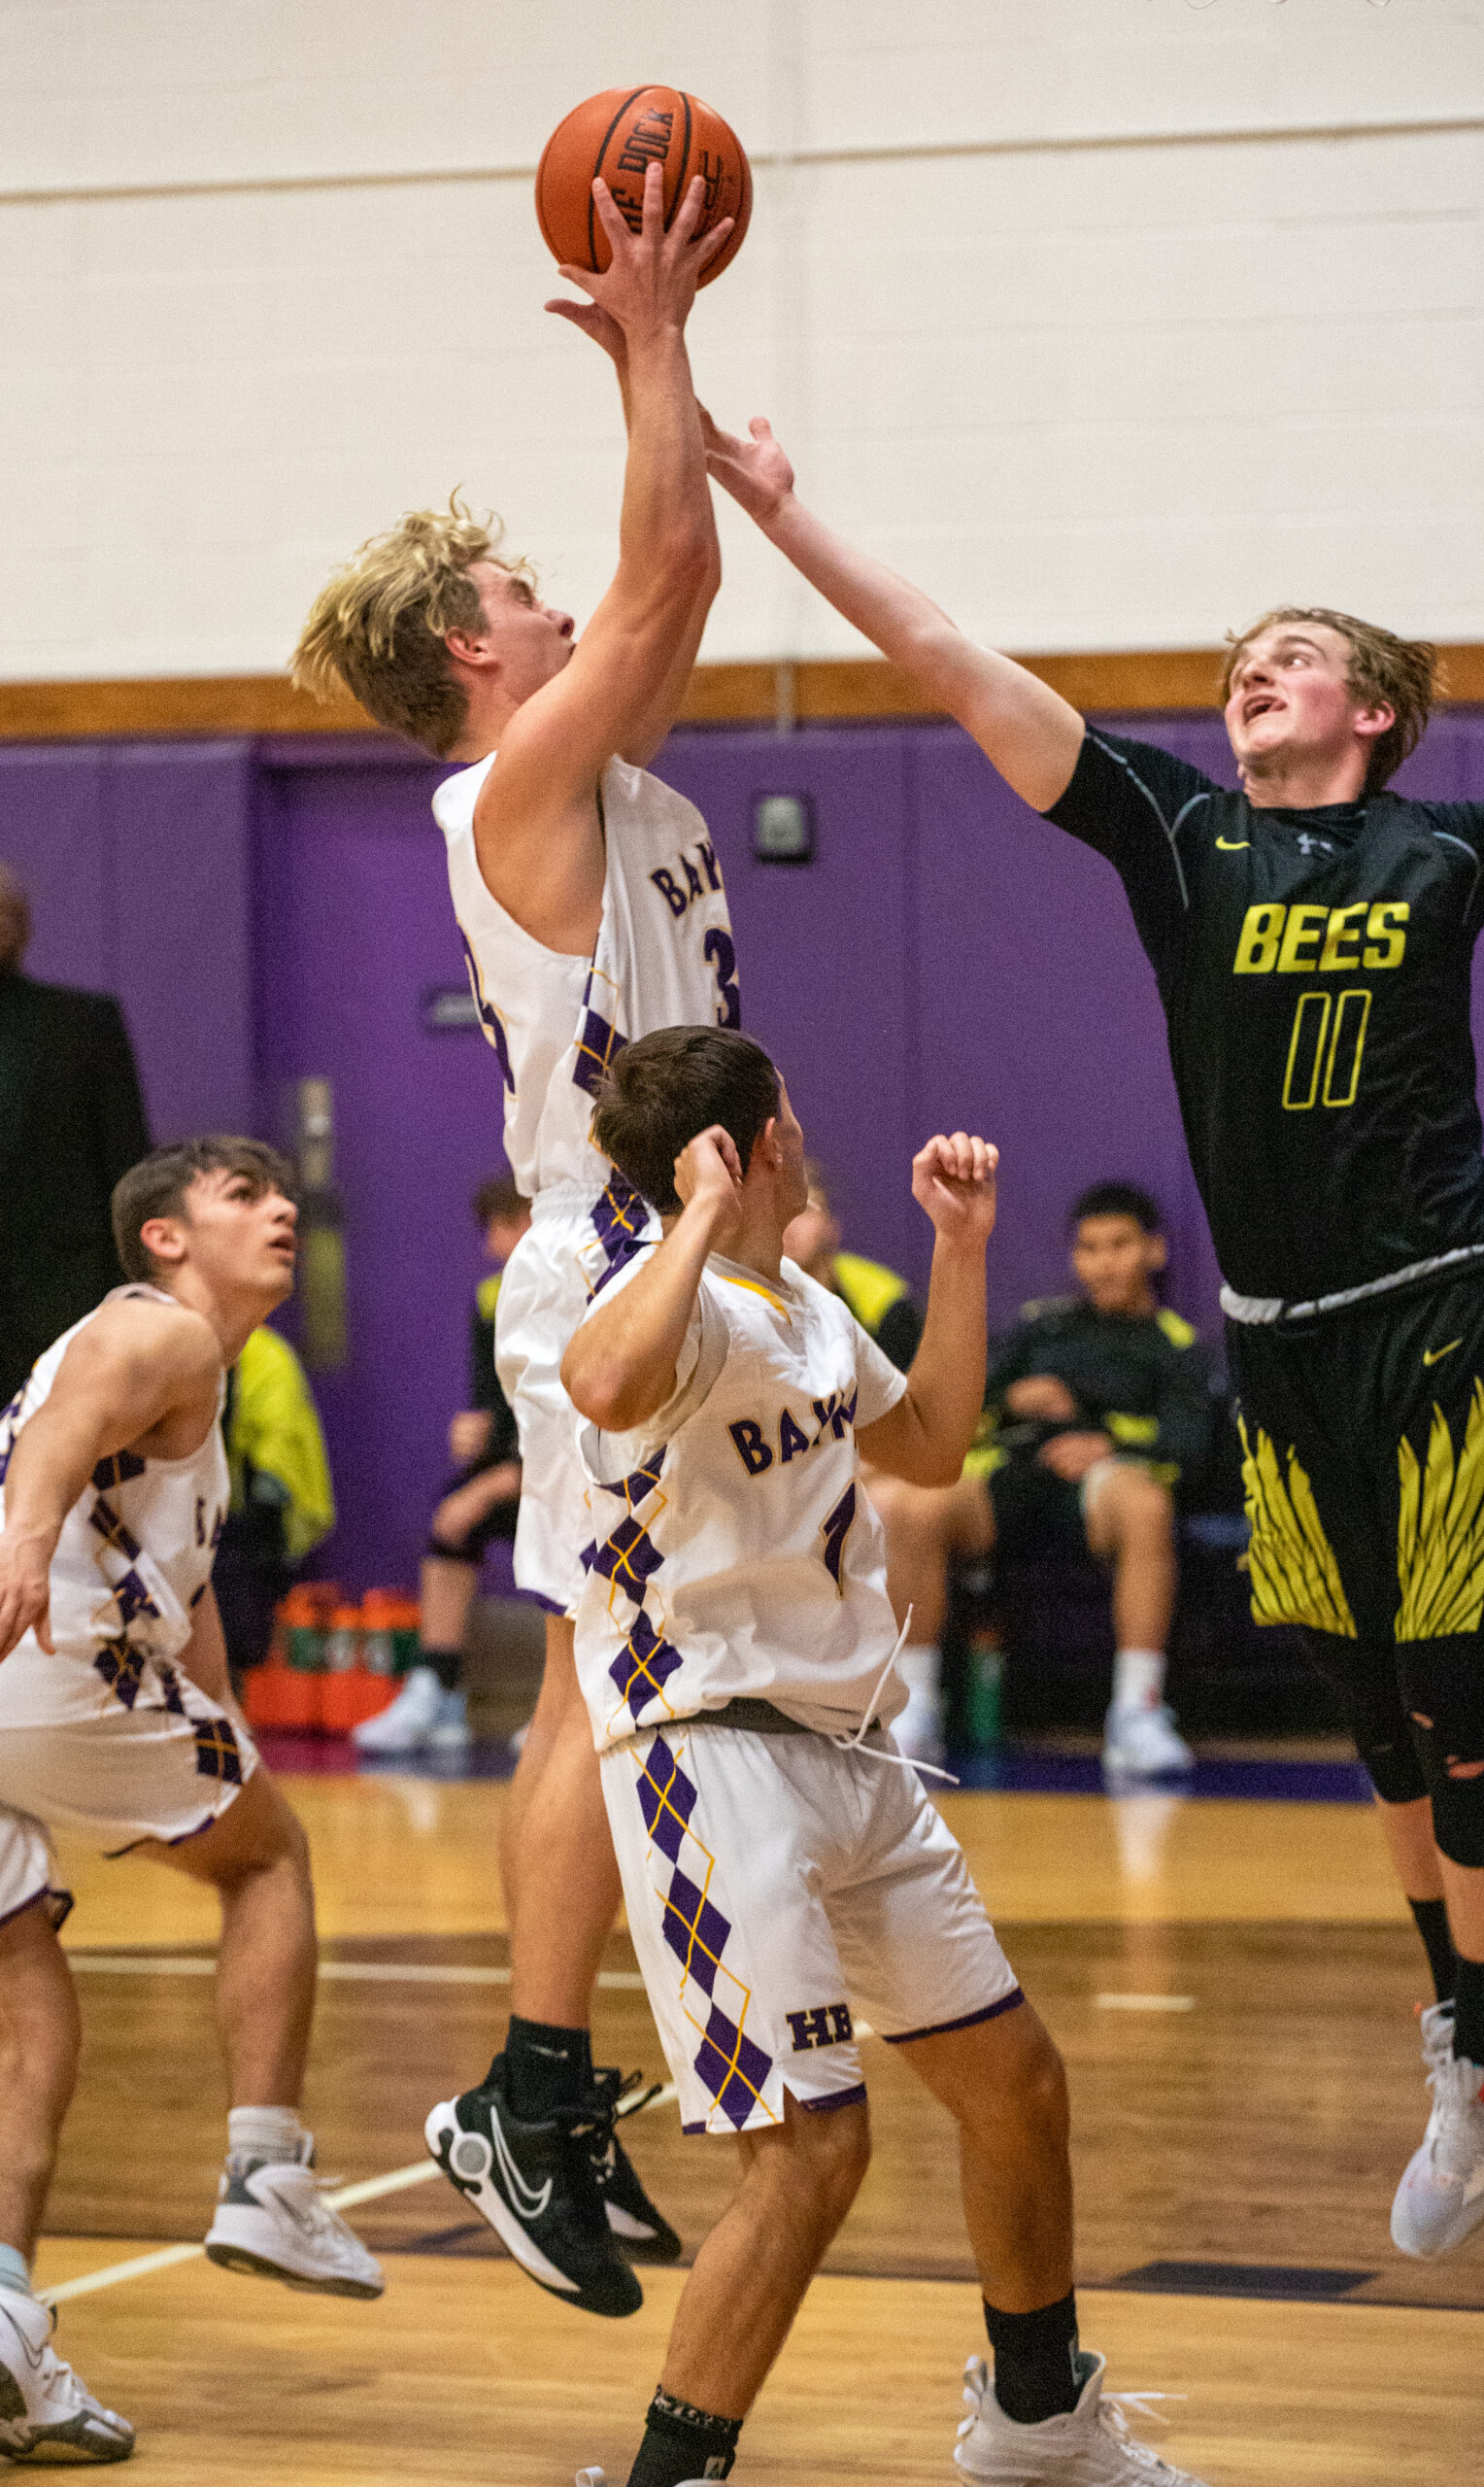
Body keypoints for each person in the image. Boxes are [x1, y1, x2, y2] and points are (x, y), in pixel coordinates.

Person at [700, 401, 1484, 2259]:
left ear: (1370, 708)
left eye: (1289, 659)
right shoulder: (1180, 842)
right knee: (1373, 1716)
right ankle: (1478, 2005)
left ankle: (1475, 2047)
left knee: (1462, 1705)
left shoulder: (1446, 851)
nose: (1251, 677)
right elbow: (948, 662)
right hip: (1278, 1350)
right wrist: (782, 516)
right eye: (1237, 666)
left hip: (1437, 1315)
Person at [292, 161, 738, 2311]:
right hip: (605, 1256)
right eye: (522, 588)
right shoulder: (507, 790)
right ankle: (528, 2084)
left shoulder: (592, 765)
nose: (563, 601)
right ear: (474, 654)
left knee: (618, 1683)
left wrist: (669, 377)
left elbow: (676, 574)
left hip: (688, 1256)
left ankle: (551, 2079)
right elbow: (660, 571)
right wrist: (651, 329)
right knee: (580, 1684)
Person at [561, 1025, 1211, 2487]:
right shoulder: (658, 1306)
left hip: (852, 1754)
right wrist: (691, 1218)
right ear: (745, 1147)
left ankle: (1035, 2423)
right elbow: (602, 1383)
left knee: (1015, 2082)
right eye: (779, 1111)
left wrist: (960, 1250)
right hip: (707, 1754)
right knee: (809, 2150)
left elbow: (923, 1446)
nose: (803, 1121)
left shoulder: (790, 1302)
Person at [0, 1139, 382, 2461]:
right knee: (268, 1867)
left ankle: (1, 2317)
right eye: (242, 1196)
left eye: (285, 1194)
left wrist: (229, 1738)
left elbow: (193, 1606)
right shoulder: (157, 1333)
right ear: (165, 1238)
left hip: (36, 1679)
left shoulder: (198, 1401)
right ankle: (264, 2172)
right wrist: (24, 1541)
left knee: (20, 1981)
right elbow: (57, 1431)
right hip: (46, 1661)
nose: (281, 1209)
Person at [875, 1182, 1212, 1777]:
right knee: (908, 1505)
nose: (1103, 1263)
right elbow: (958, 1408)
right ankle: (915, 1707)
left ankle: (1138, 1714)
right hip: (1013, 1474)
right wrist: (1011, 1399)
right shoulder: (1042, 1327)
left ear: (1153, 1252)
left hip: (1100, 1490)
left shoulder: (1174, 1345)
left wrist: (1106, 1442)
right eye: (1088, 1249)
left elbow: (1191, 1445)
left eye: (1119, 1246)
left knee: (1146, 1506)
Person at [354, 1174, 529, 1755]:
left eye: (505, 1225)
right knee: (450, 1520)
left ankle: (573, 1705)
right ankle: (439, 1688)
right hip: (522, 1467)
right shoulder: (491, 1299)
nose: (493, 1244)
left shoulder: (584, 1290)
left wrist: (503, 1478)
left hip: (579, 1471)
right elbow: (491, 1400)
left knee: (500, 1513)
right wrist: (476, 1432)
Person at [0, 863, 152, 1403]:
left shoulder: (84, 1025)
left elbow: (130, 1175)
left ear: (20, 928)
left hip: (60, 1304)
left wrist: (125, 1300)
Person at [213, 1317, 335, 1686]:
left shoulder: (264, 1355)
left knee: (234, 1639)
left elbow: (278, 1455)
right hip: (215, 1520)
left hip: (244, 1523)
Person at [782, 1160, 925, 1371]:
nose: (788, 1225)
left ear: (833, 1226)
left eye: (804, 1210)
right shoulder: (739, 1297)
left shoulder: (886, 1304)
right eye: (778, 1211)